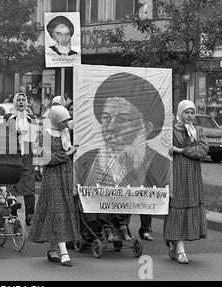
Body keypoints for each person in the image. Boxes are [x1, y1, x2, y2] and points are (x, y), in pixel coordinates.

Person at [74, 73, 171, 241]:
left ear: (145, 128)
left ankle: (122, 225)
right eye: (106, 118)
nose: (111, 127)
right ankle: (107, 228)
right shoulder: (85, 160)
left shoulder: (161, 165)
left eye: (123, 119)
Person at [28, 106, 80, 267]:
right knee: (58, 211)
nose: (67, 123)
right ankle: (64, 252)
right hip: (52, 177)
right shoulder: (45, 134)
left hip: (66, 174)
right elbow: (45, 158)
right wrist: (68, 154)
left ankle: (52, 250)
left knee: (60, 210)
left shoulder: (65, 133)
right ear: (57, 119)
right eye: (64, 120)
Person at [165, 100, 208, 264]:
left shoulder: (198, 130)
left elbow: (202, 150)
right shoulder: (170, 131)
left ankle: (175, 243)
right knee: (178, 207)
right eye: (186, 112)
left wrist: (181, 150)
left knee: (189, 207)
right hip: (177, 174)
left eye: (192, 113)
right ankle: (180, 248)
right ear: (180, 113)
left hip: (193, 174)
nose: (189, 116)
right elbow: (164, 148)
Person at [4, 93, 37, 226]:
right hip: (13, 155)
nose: (21, 102)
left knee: (29, 185)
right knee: (12, 184)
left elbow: (35, 138)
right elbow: (4, 136)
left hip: (28, 154)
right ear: (14, 102)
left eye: (23, 99)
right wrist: (15, 133)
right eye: (19, 100)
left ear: (26, 102)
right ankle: (13, 215)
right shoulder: (8, 117)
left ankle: (30, 215)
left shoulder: (31, 118)